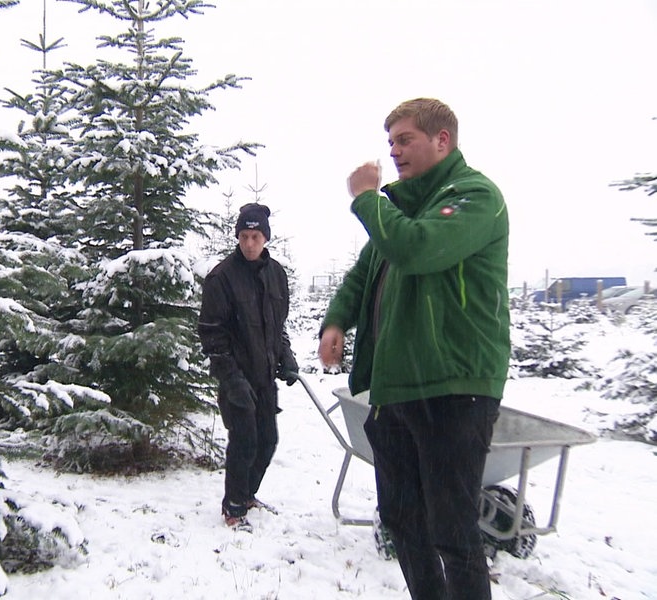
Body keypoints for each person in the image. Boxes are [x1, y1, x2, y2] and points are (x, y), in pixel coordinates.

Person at [318, 98, 510, 599]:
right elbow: (365, 272)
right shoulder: (404, 207)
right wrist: (337, 319)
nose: (395, 151)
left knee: (452, 529)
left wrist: (367, 198)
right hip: (395, 387)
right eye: (392, 143)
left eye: (406, 140)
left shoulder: (474, 196)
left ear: (442, 140)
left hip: (453, 387)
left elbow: (417, 248)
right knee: (403, 522)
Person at [199, 202, 300, 531]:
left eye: (255, 236)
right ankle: (234, 506)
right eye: (243, 236)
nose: (249, 243)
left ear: (265, 237)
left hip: (265, 376)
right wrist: (231, 378)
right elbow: (212, 335)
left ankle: (248, 493)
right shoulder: (222, 278)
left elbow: (277, 326)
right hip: (237, 377)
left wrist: (285, 355)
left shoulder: (277, 275)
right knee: (244, 442)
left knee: (268, 440)